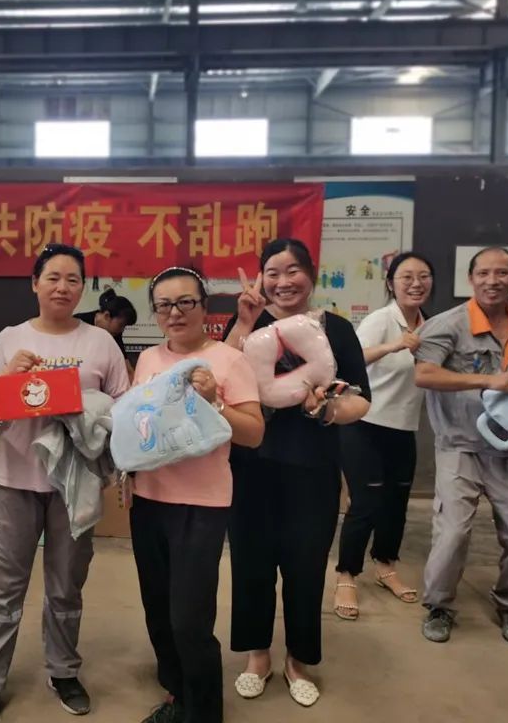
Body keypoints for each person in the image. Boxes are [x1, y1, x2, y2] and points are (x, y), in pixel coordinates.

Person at [0, 243, 131, 723]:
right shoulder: (10, 338)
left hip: (74, 487)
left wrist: (89, 413)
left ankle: (63, 671)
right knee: (3, 588)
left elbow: (122, 407)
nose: (63, 287)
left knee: (66, 586)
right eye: (53, 277)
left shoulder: (100, 343)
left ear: (83, 289)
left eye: (73, 279)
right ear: (34, 283)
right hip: (14, 480)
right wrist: (7, 379)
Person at [224, 238, 370, 707]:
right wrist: (244, 323)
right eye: (272, 272)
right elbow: (220, 378)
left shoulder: (336, 330)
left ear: (311, 274)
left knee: (306, 567)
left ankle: (298, 661)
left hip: (313, 468)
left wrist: (325, 410)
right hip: (250, 467)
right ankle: (257, 656)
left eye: (293, 271)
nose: (283, 282)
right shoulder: (248, 323)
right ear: (260, 278)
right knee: (251, 565)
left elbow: (361, 401)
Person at [130, 267, 264, 723]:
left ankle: (204, 713)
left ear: (204, 307)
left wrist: (216, 402)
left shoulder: (228, 360)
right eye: (164, 305)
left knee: (190, 620)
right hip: (148, 499)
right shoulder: (148, 359)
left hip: (201, 505)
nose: (175, 312)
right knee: (158, 612)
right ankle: (178, 697)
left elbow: (253, 434)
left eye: (185, 302)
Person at [414, 247, 508, 647]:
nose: (493, 281)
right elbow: (424, 374)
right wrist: (488, 380)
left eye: (502, 273)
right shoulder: (448, 324)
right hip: (461, 445)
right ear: (471, 279)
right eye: (484, 273)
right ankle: (439, 605)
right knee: (453, 532)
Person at [334, 253, 435, 620]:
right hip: (365, 424)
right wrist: (394, 345)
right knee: (366, 502)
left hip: (403, 426)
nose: (416, 283)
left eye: (423, 276)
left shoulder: (430, 325)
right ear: (391, 283)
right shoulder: (381, 319)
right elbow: (352, 359)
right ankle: (347, 573)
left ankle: (385, 564)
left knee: (396, 501)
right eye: (407, 276)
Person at [75, 287, 138, 361]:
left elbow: (123, 360)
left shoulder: (115, 333)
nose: (122, 330)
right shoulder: (77, 322)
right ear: (107, 316)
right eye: (121, 325)